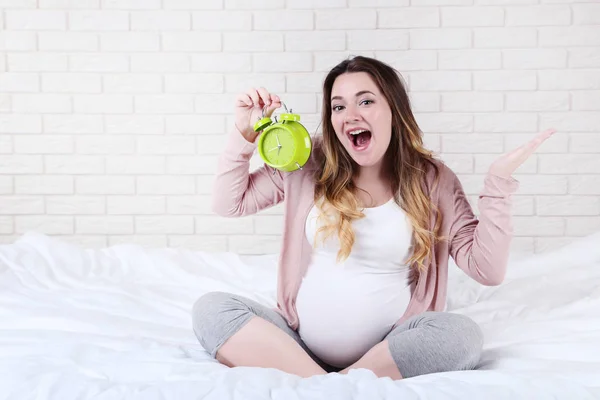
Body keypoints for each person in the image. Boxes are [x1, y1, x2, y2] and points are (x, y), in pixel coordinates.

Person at [191, 56, 557, 380]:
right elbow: (230, 203)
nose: (350, 115)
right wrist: (244, 135)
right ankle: (331, 384)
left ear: (393, 110)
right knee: (211, 310)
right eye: (338, 107)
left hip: (390, 348)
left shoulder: (433, 179)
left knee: (461, 334)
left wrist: (498, 183)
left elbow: (487, 270)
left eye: (365, 101)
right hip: (297, 342)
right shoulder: (308, 161)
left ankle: (325, 382)